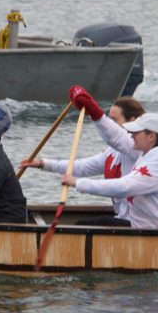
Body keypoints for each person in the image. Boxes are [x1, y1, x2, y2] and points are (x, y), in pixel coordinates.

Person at [60, 89, 158, 230]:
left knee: (87, 227)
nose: (131, 134)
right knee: (86, 226)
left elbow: (124, 187)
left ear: (151, 136)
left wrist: (78, 183)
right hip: (152, 228)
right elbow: (117, 137)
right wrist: (43, 164)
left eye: (136, 132)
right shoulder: (151, 152)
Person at [20, 95, 145, 225]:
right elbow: (81, 167)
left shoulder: (138, 149)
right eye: (108, 119)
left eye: (114, 120)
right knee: (82, 224)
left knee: (82, 226)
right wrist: (43, 164)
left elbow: (115, 136)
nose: (110, 124)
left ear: (132, 121)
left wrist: (93, 111)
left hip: (137, 223)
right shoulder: (112, 152)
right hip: (122, 217)